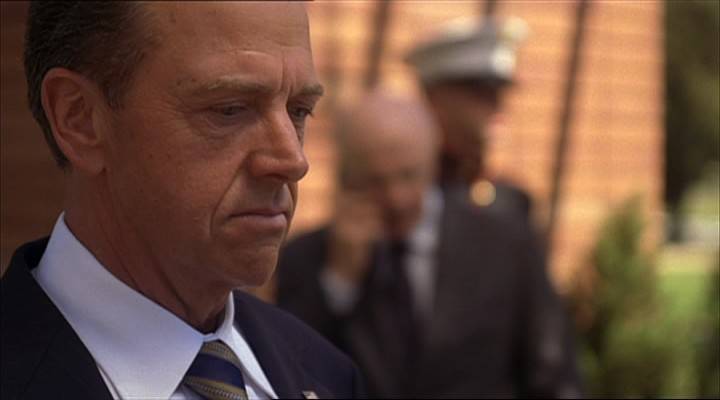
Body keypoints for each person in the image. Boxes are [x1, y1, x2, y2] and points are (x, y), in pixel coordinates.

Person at [0, 2, 365, 399]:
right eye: (230, 110)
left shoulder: (328, 373)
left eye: (299, 111)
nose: (293, 160)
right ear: (79, 118)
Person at [275, 91, 581, 398]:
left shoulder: (505, 244)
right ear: (347, 178)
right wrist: (339, 282)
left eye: (408, 176)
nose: (396, 198)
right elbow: (288, 371)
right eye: (375, 181)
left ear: (433, 162)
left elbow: (552, 372)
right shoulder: (309, 257)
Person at [405, 16, 534, 226]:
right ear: (436, 99)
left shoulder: (511, 202)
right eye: (481, 94)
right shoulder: (401, 198)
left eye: (498, 94)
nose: (496, 107)